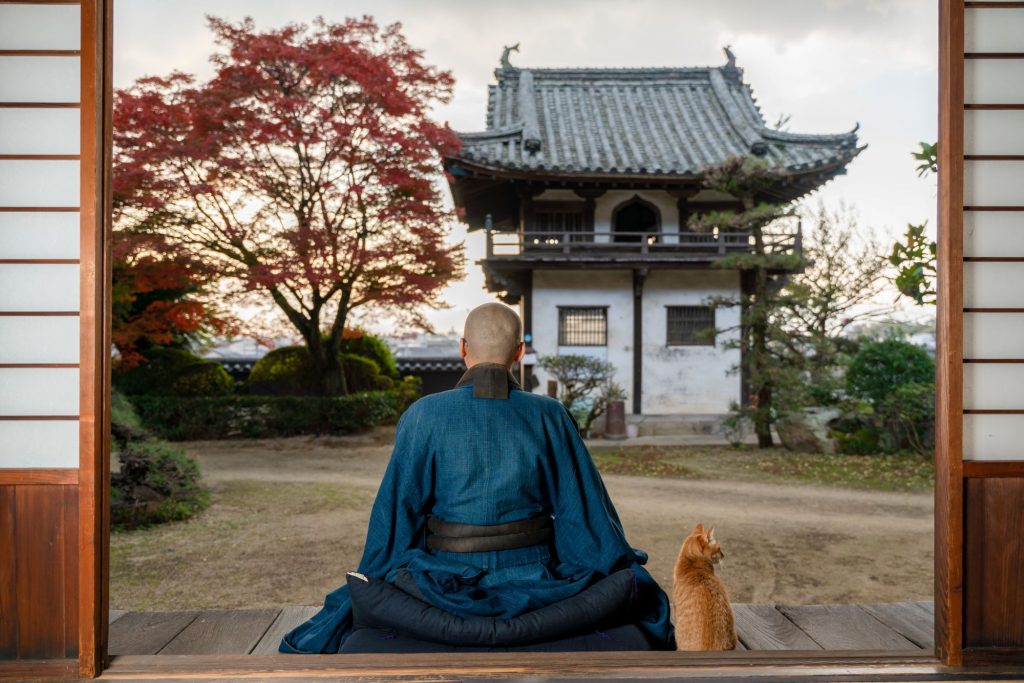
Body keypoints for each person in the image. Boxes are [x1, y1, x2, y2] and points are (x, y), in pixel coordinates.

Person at [280, 303, 674, 653]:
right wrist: (614, 566)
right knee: (625, 590)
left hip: (441, 585)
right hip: (535, 581)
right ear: (519, 353)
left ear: (462, 348)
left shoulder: (423, 414)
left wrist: (380, 574)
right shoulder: (549, 414)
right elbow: (583, 515)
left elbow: (398, 514)